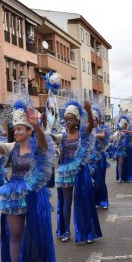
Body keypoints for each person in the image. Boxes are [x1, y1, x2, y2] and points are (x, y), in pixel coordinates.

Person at [0, 98, 60, 262]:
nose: (16, 131)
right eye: (15, 128)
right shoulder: (12, 147)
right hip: (14, 193)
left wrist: (37, 126)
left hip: (35, 193)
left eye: (21, 129)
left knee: (40, 235)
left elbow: (44, 144)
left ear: (29, 131)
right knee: (15, 235)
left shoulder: (38, 145)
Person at [52, 100, 102, 244]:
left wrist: (88, 111)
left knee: (83, 200)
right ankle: (66, 231)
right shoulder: (63, 136)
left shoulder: (82, 134)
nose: (68, 122)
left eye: (71, 119)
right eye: (66, 120)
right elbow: (52, 136)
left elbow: (91, 126)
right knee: (66, 202)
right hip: (66, 170)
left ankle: (86, 231)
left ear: (77, 120)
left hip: (81, 170)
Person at [90, 106, 111, 210]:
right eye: (91, 119)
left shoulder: (102, 129)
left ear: (97, 120)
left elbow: (102, 136)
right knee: (92, 181)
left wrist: (93, 134)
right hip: (89, 159)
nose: (93, 121)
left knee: (100, 180)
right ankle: (94, 201)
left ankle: (103, 201)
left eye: (94, 119)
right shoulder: (87, 129)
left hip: (100, 158)